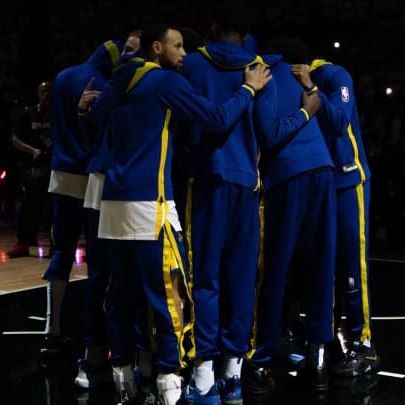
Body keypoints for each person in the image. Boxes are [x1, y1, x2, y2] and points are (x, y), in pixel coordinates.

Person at [79, 22, 272, 405]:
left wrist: (85, 107)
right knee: (167, 295)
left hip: (111, 202)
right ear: (156, 48)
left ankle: (124, 375)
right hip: (151, 202)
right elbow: (216, 119)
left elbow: (92, 117)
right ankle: (171, 379)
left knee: (119, 293)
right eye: (178, 46)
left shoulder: (116, 84)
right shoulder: (165, 83)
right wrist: (249, 88)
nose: (184, 54)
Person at [179, 16, 318, 405]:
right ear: (245, 34)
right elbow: (271, 134)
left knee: (205, 280)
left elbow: (186, 129)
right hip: (246, 185)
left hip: (205, 181)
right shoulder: (260, 67)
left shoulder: (191, 64)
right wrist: (306, 112)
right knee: (242, 280)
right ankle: (233, 376)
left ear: (212, 28)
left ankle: (204, 379)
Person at [244, 35, 337, 399]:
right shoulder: (300, 75)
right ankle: (317, 362)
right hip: (324, 171)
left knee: (275, 270)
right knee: (320, 268)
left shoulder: (260, 73)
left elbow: (268, 134)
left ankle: (262, 358)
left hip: (289, 177)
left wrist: (303, 113)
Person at [38, 38, 127, 391]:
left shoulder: (62, 76)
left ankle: (52, 330)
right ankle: (100, 337)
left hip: (60, 172)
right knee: (97, 261)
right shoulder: (103, 82)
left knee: (60, 251)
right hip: (90, 175)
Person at [292, 55, 379, 377]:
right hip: (321, 182)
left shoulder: (335, 74)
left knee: (353, 266)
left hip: (348, 181)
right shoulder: (289, 80)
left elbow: (340, 121)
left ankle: (364, 344)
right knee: (320, 266)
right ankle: (322, 339)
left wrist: (312, 87)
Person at [75, 32, 144, 397]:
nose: (127, 56)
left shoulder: (151, 86)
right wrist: (85, 112)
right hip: (105, 185)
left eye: (134, 49)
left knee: (139, 281)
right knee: (103, 278)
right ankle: (96, 356)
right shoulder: (112, 88)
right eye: (126, 50)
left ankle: (136, 360)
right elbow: (93, 138)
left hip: (141, 190)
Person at [7, 82, 54, 258]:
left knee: (52, 207)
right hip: (32, 167)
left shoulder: (57, 114)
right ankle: (23, 243)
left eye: (49, 91)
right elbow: (15, 139)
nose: (46, 94)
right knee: (28, 205)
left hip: (52, 165)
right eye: (43, 91)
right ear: (38, 93)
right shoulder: (29, 113)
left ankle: (54, 245)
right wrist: (32, 151)